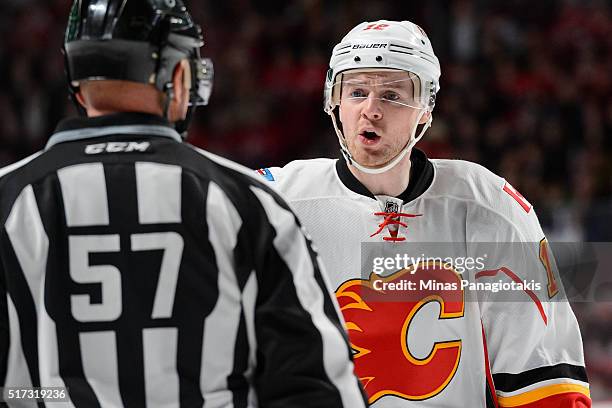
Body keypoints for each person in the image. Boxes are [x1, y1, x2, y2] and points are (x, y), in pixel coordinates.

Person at [0, 1, 368, 407]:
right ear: (178, 74)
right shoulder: (247, 202)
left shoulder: (10, 199)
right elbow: (316, 385)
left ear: (75, 76)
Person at [258, 20, 591, 407]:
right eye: (357, 91)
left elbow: (545, 381)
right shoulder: (274, 202)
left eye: (393, 95)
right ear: (334, 100)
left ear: (425, 110)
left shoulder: (489, 207)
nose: (371, 110)